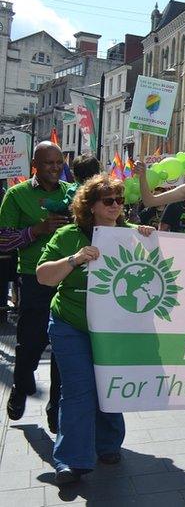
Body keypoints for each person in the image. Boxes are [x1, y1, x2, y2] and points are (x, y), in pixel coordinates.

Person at [36, 175, 155, 484]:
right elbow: (43, 276)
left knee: (110, 383)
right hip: (71, 324)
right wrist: (75, 260)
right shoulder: (68, 235)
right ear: (90, 206)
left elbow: (158, 271)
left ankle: (109, 443)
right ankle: (70, 460)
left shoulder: (132, 235)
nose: (116, 205)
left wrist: (150, 240)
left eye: (119, 200)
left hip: (114, 328)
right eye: (108, 200)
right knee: (79, 390)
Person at [0, 142, 70, 431]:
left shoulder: (72, 192)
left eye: (58, 163)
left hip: (68, 277)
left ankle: (56, 408)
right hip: (34, 276)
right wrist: (36, 231)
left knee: (65, 346)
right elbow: (3, 240)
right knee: (32, 341)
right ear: (35, 165)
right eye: (48, 163)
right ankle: (20, 385)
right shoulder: (17, 195)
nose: (54, 168)